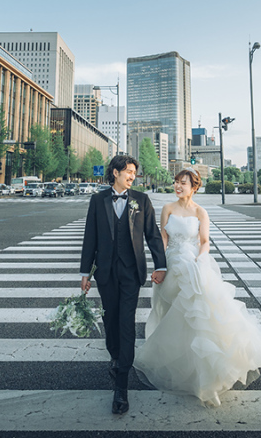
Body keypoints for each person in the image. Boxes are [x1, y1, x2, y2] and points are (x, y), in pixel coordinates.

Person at [134, 168, 261, 407]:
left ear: (194, 186)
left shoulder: (201, 212)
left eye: (183, 183)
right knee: (169, 310)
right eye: (176, 182)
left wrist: (199, 260)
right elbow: (163, 239)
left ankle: (200, 372)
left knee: (197, 314)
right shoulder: (168, 209)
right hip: (172, 264)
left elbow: (204, 242)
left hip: (192, 263)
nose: (178, 186)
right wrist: (160, 265)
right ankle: (175, 358)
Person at [80, 154, 167, 415]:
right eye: (128, 171)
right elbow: (90, 237)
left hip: (131, 273)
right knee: (111, 321)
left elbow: (152, 235)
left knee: (126, 322)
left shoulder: (142, 200)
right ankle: (115, 356)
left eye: (134, 172)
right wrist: (85, 272)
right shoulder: (98, 200)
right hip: (105, 273)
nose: (132, 176)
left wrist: (160, 266)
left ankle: (121, 387)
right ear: (115, 173)